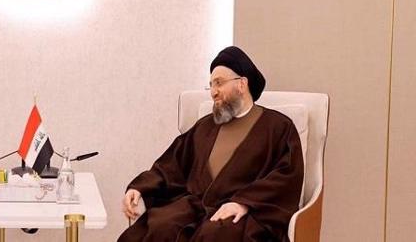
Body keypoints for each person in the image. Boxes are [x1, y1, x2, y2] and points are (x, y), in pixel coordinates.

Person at [119, 46, 303, 242]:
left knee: (215, 235)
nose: (213, 92)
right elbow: (171, 166)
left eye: (219, 83)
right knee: (160, 226)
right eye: (211, 85)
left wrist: (243, 203)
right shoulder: (204, 126)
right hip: (194, 206)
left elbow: (286, 177)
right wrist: (141, 187)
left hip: (242, 212)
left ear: (242, 84)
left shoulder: (278, 127)